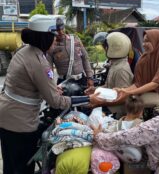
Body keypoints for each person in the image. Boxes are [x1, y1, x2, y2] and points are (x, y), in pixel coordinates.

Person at [0, 14, 103, 174]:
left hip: (6, 116)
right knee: (22, 167)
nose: (56, 40)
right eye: (53, 36)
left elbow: (27, 84)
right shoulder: (39, 62)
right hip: (20, 123)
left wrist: (52, 89)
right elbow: (56, 102)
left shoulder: (24, 51)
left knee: (10, 164)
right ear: (44, 38)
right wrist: (89, 98)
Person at [116, 29, 159, 111]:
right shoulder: (145, 58)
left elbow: (154, 84)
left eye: (147, 41)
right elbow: (139, 83)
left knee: (133, 103)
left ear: (158, 42)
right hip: (144, 90)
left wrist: (130, 92)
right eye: (143, 41)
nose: (143, 45)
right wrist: (123, 90)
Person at [88, 32, 134, 118]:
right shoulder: (115, 64)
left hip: (117, 112)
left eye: (106, 47)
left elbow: (124, 97)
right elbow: (109, 86)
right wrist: (95, 90)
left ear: (113, 49)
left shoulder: (121, 69)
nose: (104, 49)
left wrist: (100, 103)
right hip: (110, 105)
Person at [47, 17, 94, 87]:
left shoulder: (75, 40)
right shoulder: (51, 46)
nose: (61, 32)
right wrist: (52, 85)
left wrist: (89, 77)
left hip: (81, 80)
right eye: (57, 30)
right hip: (64, 83)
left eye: (62, 29)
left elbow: (85, 58)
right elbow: (49, 68)